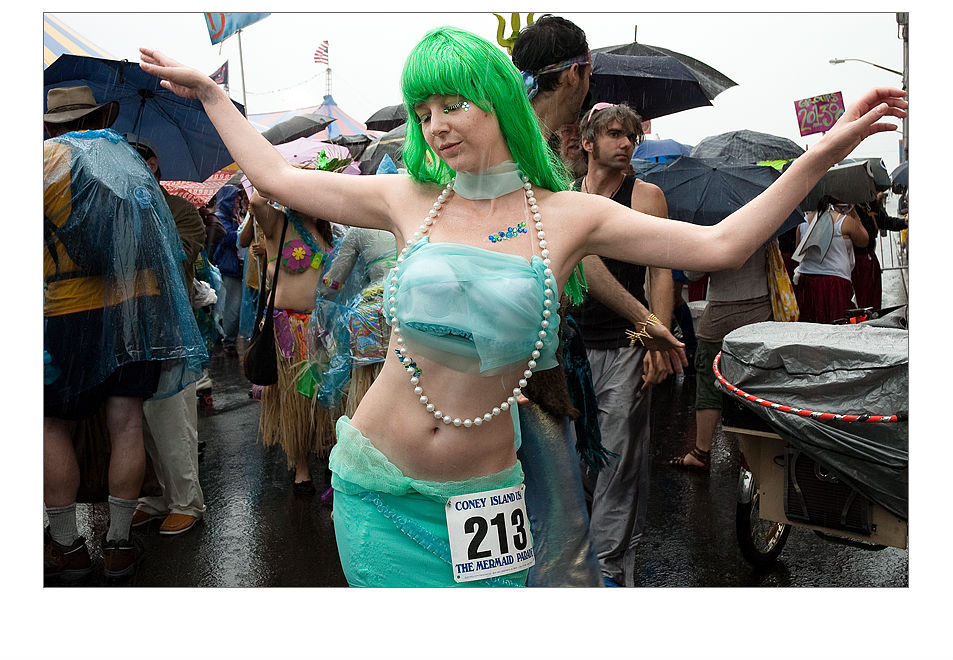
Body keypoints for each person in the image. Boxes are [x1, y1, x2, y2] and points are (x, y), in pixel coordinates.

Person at [140, 28, 905, 586]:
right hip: (375, 485)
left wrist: (819, 154)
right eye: (423, 109)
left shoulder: (565, 214)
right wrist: (211, 93)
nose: (435, 124)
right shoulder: (407, 196)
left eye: (453, 104)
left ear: (499, 104)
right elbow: (273, 175)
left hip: (484, 502)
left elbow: (721, 245)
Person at [44, 85, 206, 580]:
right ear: (100, 115)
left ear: (51, 125)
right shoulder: (127, 160)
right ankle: (117, 543)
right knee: (127, 423)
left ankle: (66, 545)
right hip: (137, 310)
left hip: (65, 311)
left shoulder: (42, 163)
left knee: (52, 425)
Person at [571, 102, 674, 586]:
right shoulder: (565, 196)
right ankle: (581, 558)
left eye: (631, 136)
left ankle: (609, 569)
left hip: (629, 340)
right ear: (587, 142)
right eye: (614, 134)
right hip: (570, 349)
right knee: (577, 459)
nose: (625, 143)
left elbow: (660, 271)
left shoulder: (646, 196)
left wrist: (657, 341)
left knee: (618, 460)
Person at [125, 135, 207, 535]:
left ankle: (186, 501)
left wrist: (148, 221)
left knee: (172, 417)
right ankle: (155, 497)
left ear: (153, 164)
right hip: (127, 329)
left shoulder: (180, 211)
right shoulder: (114, 209)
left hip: (170, 326)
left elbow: (181, 256)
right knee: (134, 420)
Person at [248, 184, 337, 494]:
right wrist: (283, 179)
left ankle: (327, 450)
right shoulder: (278, 223)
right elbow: (257, 201)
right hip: (289, 325)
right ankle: (300, 465)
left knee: (324, 393)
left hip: (322, 325)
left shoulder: (326, 229)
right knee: (294, 398)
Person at [793, 197, 869, 323]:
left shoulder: (803, 222)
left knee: (811, 328)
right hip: (835, 282)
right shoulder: (844, 221)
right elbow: (863, 241)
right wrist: (855, 214)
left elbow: (798, 250)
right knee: (838, 326)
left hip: (807, 281)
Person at [209, 184, 247, 356]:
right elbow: (230, 238)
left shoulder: (233, 217)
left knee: (230, 306)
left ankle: (225, 337)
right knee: (232, 306)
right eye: (236, 200)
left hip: (235, 268)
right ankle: (228, 341)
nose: (238, 203)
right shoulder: (220, 218)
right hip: (227, 268)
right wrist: (245, 229)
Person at [852, 191, 908, 309]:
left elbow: (884, 221)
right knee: (860, 297)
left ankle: (872, 319)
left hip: (868, 256)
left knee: (873, 295)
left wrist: (903, 222)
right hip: (852, 259)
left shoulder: (871, 203)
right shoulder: (848, 206)